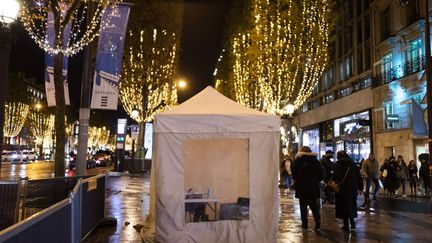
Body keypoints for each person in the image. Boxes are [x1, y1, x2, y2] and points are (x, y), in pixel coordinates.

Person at [292, 146, 323, 232]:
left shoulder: (297, 161)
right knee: (314, 207)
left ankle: (304, 224)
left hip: (302, 188)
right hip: (313, 188)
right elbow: (321, 176)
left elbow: (294, 175)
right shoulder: (316, 161)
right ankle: (318, 224)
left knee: (303, 207)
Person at [333, 150, 363, 231]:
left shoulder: (338, 164)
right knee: (351, 205)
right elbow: (358, 177)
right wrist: (361, 188)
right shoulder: (353, 164)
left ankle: (346, 225)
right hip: (352, 189)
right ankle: (352, 223)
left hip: (342, 190)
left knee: (343, 207)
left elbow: (336, 177)